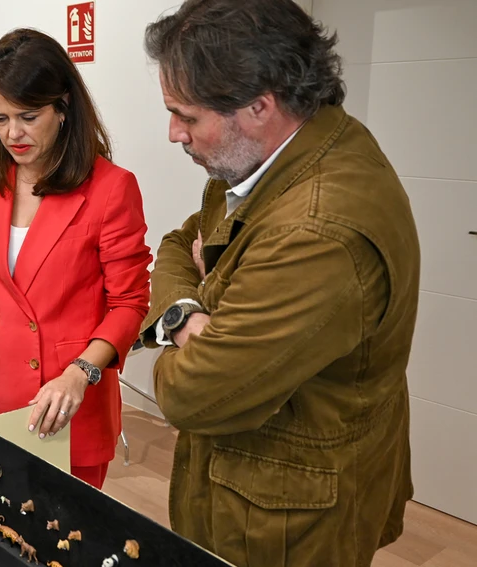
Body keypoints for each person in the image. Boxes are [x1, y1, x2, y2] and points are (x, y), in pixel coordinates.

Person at [139, 1, 419, 565]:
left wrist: (183, 322)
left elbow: (190, 393)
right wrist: (193, 318)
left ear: (259, 106)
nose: (173, 134)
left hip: (285, 516)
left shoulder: (317, 230)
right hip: (254, 482)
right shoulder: (270, 157)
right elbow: (176, 244)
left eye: (186, 116)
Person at [0, 29, 152, 489]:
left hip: (66, 401)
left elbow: (129, 303)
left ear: (63, 107)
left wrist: (82, 371)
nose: (14, 133)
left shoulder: (111, 188)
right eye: (0, 118)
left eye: (29, 116)